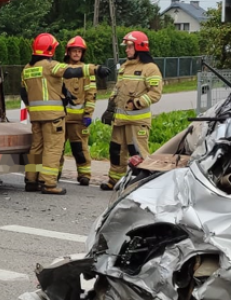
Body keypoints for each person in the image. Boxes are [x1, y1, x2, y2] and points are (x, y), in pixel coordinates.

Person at [21, 33, 94, 196]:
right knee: (53, 149)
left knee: (36, 148)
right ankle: (48, 182)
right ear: (50, 49)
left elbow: (23, 92)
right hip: (53, 117)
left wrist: (32, 108)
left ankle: (31, 180)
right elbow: (70, 71)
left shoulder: (27, 68)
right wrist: (95, 69)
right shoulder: (50, 65)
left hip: (36, 117)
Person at [101, 30, 163, 192]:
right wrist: (110, 107)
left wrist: (136, 103)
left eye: (129, 46)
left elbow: (155, 93)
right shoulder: (125, 67)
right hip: (120, 120)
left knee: (137, 153)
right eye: (126, 47)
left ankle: (140, 183)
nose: (126, 50)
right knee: (116, 150)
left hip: (137, 122)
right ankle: (114, 180)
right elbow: (117, 89)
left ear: (139, 47)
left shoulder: (150, 69)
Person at [60, 36, 97, 186]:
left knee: (80, 149)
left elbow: (91, 94)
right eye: (74, 51)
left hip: (78, 120)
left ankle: (84, 175)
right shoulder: (60, 70)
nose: (76, 53)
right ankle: (54, 173)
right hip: (61, 118)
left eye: (79, 51)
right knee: (57, 148)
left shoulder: (87, 71)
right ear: (68, 52)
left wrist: (88, 114)